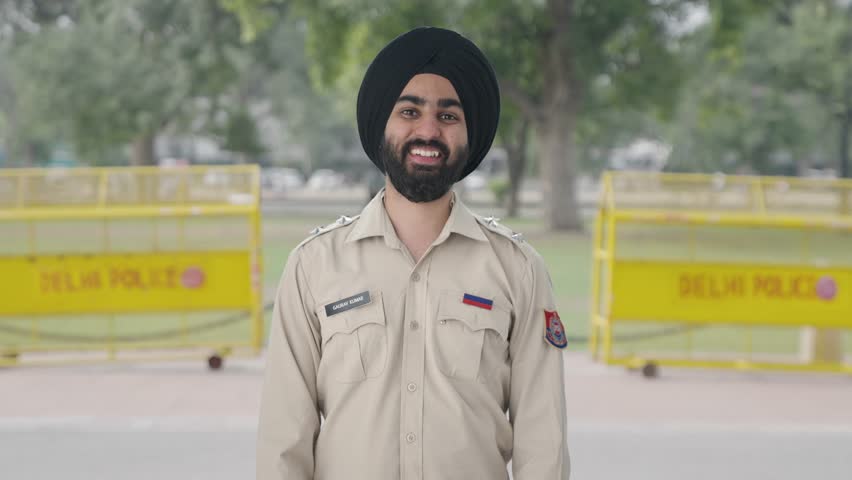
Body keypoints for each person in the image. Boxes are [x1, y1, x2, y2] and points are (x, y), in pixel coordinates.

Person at [257, 26, 570, 480]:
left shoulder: (517, 270)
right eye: (409, 111)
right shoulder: (314, 265)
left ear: (468, 133)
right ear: (381, 124)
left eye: (448, 116)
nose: (428, 131)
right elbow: (284, 438)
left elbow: (544, 441)